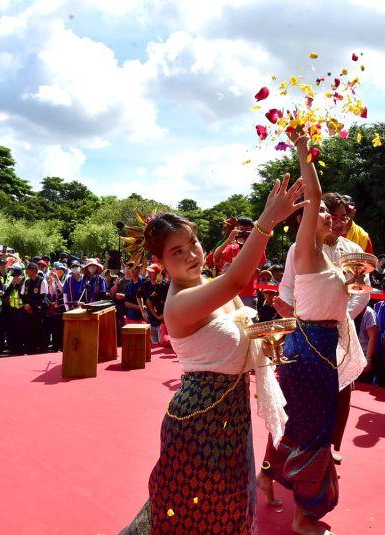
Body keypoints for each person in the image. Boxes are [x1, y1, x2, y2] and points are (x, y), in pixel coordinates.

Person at [122, 175, 303, 534]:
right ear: (159, 262)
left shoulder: (208, 286)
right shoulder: (180, 303)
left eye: (193, 242)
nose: (191, 254)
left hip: (232, 414)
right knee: (198, 514)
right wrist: (266, 222)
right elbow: (237, 281)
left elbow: (246, 335)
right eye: (177, 251)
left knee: (232, 507)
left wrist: (270, 341)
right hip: (199, 421)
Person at [261, 133, 366, 534]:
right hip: (307, 348)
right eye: (321, 214)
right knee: (313, 431)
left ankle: (274, 484)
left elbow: (345, 298)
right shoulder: (304, 248)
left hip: (323, 345)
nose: (329, 218)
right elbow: (316, 194)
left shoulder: (335, 254)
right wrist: (303, 151)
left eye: (331, 216)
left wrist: (355, 279)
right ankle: (304, 517)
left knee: (305, 427)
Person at [213, 216, 267, 308]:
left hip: (248, 294)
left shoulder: (258, 248)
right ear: (236, 230)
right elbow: (215, 256)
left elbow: (258, 270)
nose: (244, 233)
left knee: (248, 321)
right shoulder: (232, 246)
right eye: (241, 230)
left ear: (253, 231)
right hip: (230, 294)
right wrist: (229, 239)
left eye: (247, 230)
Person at [22, 262, 48, 354]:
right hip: (28, 310)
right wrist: (26, 304)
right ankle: (31, 349)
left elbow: (42, 296)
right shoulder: (27, 282)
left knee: (40, 329)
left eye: (28, 269)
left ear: (34, 270)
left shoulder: (42, 281)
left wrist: (32, 306)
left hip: (38, 310)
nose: (27, 271)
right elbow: (23, 295)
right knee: (29, 330)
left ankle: (41, 349)